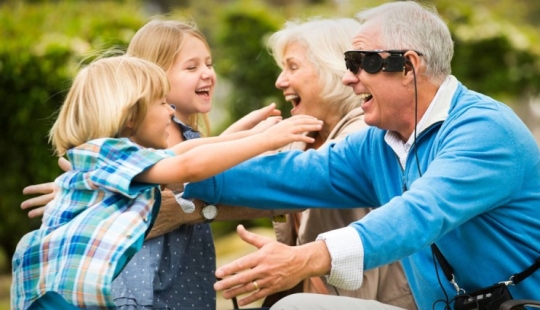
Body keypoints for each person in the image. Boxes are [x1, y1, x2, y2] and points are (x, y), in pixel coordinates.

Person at [182, 1, 540, 309]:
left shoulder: (485, 130)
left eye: (358, 62)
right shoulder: (378, 142)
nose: (347, 78)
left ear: (409, 66)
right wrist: (169, 172)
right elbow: (288, 174)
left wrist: (305, 258)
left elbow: (418, 214)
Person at [11, 55, 323, 309]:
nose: (170, 110)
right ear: (130, 115)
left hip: (67, 291)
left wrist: (254, 135)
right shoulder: (110, 152)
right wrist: (266, 141)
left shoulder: (116, 153)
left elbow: (185, 150)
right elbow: (188, 166)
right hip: (60, 297)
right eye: (161, 103)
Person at [262, 17, 414, 309]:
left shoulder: (366, 135)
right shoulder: (301, 137)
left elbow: (291, 179)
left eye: (292, 67)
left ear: (332, 69)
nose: (280, 81)